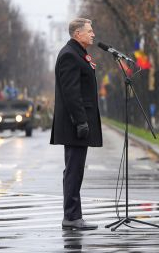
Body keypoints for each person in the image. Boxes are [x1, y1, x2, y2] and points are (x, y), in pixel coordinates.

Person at [51, 18, 102, 230]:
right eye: (89, 31)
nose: (93, 34)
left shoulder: (77, 53)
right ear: (77, 34)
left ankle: (74, 215)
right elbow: (72, 93)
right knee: (73, 170)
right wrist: (81, 122)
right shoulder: (70, 56)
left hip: (77, 123)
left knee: (76, 169)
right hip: (74, 125)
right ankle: (71, 217)